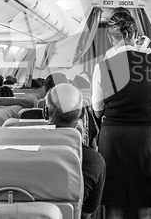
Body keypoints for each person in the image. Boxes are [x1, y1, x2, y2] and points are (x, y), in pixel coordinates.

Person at [92, 12, 151, 219]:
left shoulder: (102, 67)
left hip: (114, 137)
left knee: (115, 198)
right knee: (146, 197)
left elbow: (97, 109)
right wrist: (145, 50)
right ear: (135, 34)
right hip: (146, 137)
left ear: (111, 37)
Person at [46, 83, 105, 219]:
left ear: (45, 111)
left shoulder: (17, 148)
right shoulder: (94, 161)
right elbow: (84, 214)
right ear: (83, 113)